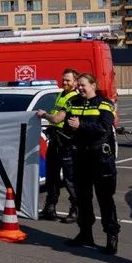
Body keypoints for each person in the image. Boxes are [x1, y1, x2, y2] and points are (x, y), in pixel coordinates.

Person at [62, 73, 119, 255]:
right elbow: (66, 126)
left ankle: (112, 236)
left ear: (93, 85)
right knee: (83, 199)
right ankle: (85, 234)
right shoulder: (74, 103)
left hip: (101, 159)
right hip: (80, 157)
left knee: (105, 199)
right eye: (77, 85)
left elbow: (103, 128)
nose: (79, 88)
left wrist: (81, 126)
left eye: (82, 85)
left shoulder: (104, 103)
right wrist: (70, 128)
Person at [36, 69, 80, 222]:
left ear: (75, 82)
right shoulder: (62, 94)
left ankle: (76, 210)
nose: (65, 82)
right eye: (63, 80)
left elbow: (56, 118)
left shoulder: (73, 97)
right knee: (52, 177)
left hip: (67, 143)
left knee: (69, 179)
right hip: (56, 141)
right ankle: (50, 208)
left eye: (68, 80)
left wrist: (43, 115)